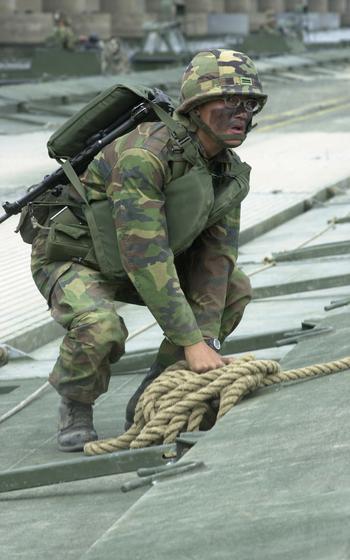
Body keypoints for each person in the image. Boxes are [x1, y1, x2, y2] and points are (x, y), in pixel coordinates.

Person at [30, 49, 267, 451]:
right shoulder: (144, 154)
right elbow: (145, 256)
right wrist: (190, 342)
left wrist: (204, 342)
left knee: (234, 288)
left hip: (140, 259)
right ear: (195, 104)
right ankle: (76, 402)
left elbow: (217, 260)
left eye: (248, 103)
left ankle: (154, 392)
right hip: (76, 257)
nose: (240, 112)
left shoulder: (229, 173)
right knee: (100, 326)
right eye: (228, 100)